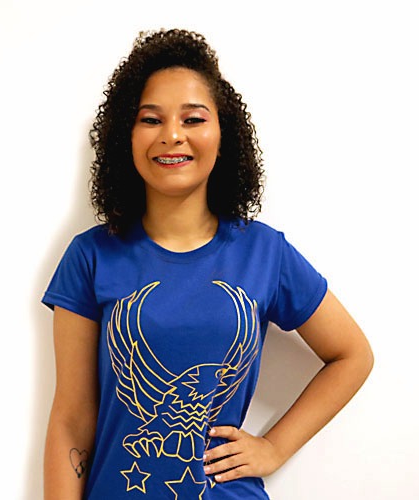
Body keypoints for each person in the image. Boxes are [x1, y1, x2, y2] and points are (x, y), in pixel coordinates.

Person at [41, 28, 374, 500]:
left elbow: (353, 355)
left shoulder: (265, 253)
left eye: (193, 118)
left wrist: (274, 448)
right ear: (126, 136)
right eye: (150, 119)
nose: (172, 135)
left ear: (223, 135)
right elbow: (72, 421)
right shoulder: (90, 256)